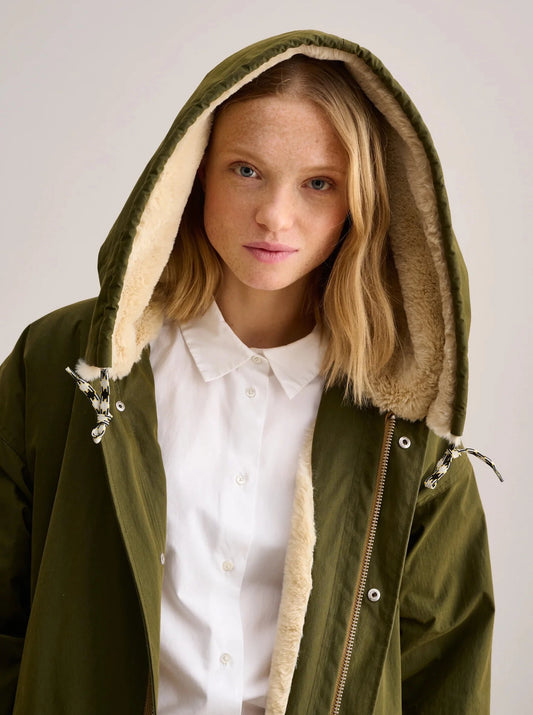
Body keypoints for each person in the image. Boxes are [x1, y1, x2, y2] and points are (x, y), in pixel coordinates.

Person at [0, 30, 499, 715]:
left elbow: (446, 661)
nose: (274, 216)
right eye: (246, 170)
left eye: (318, 183)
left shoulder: (403, 419)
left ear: (358, 202)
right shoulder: (66, 361)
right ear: (195, 172)